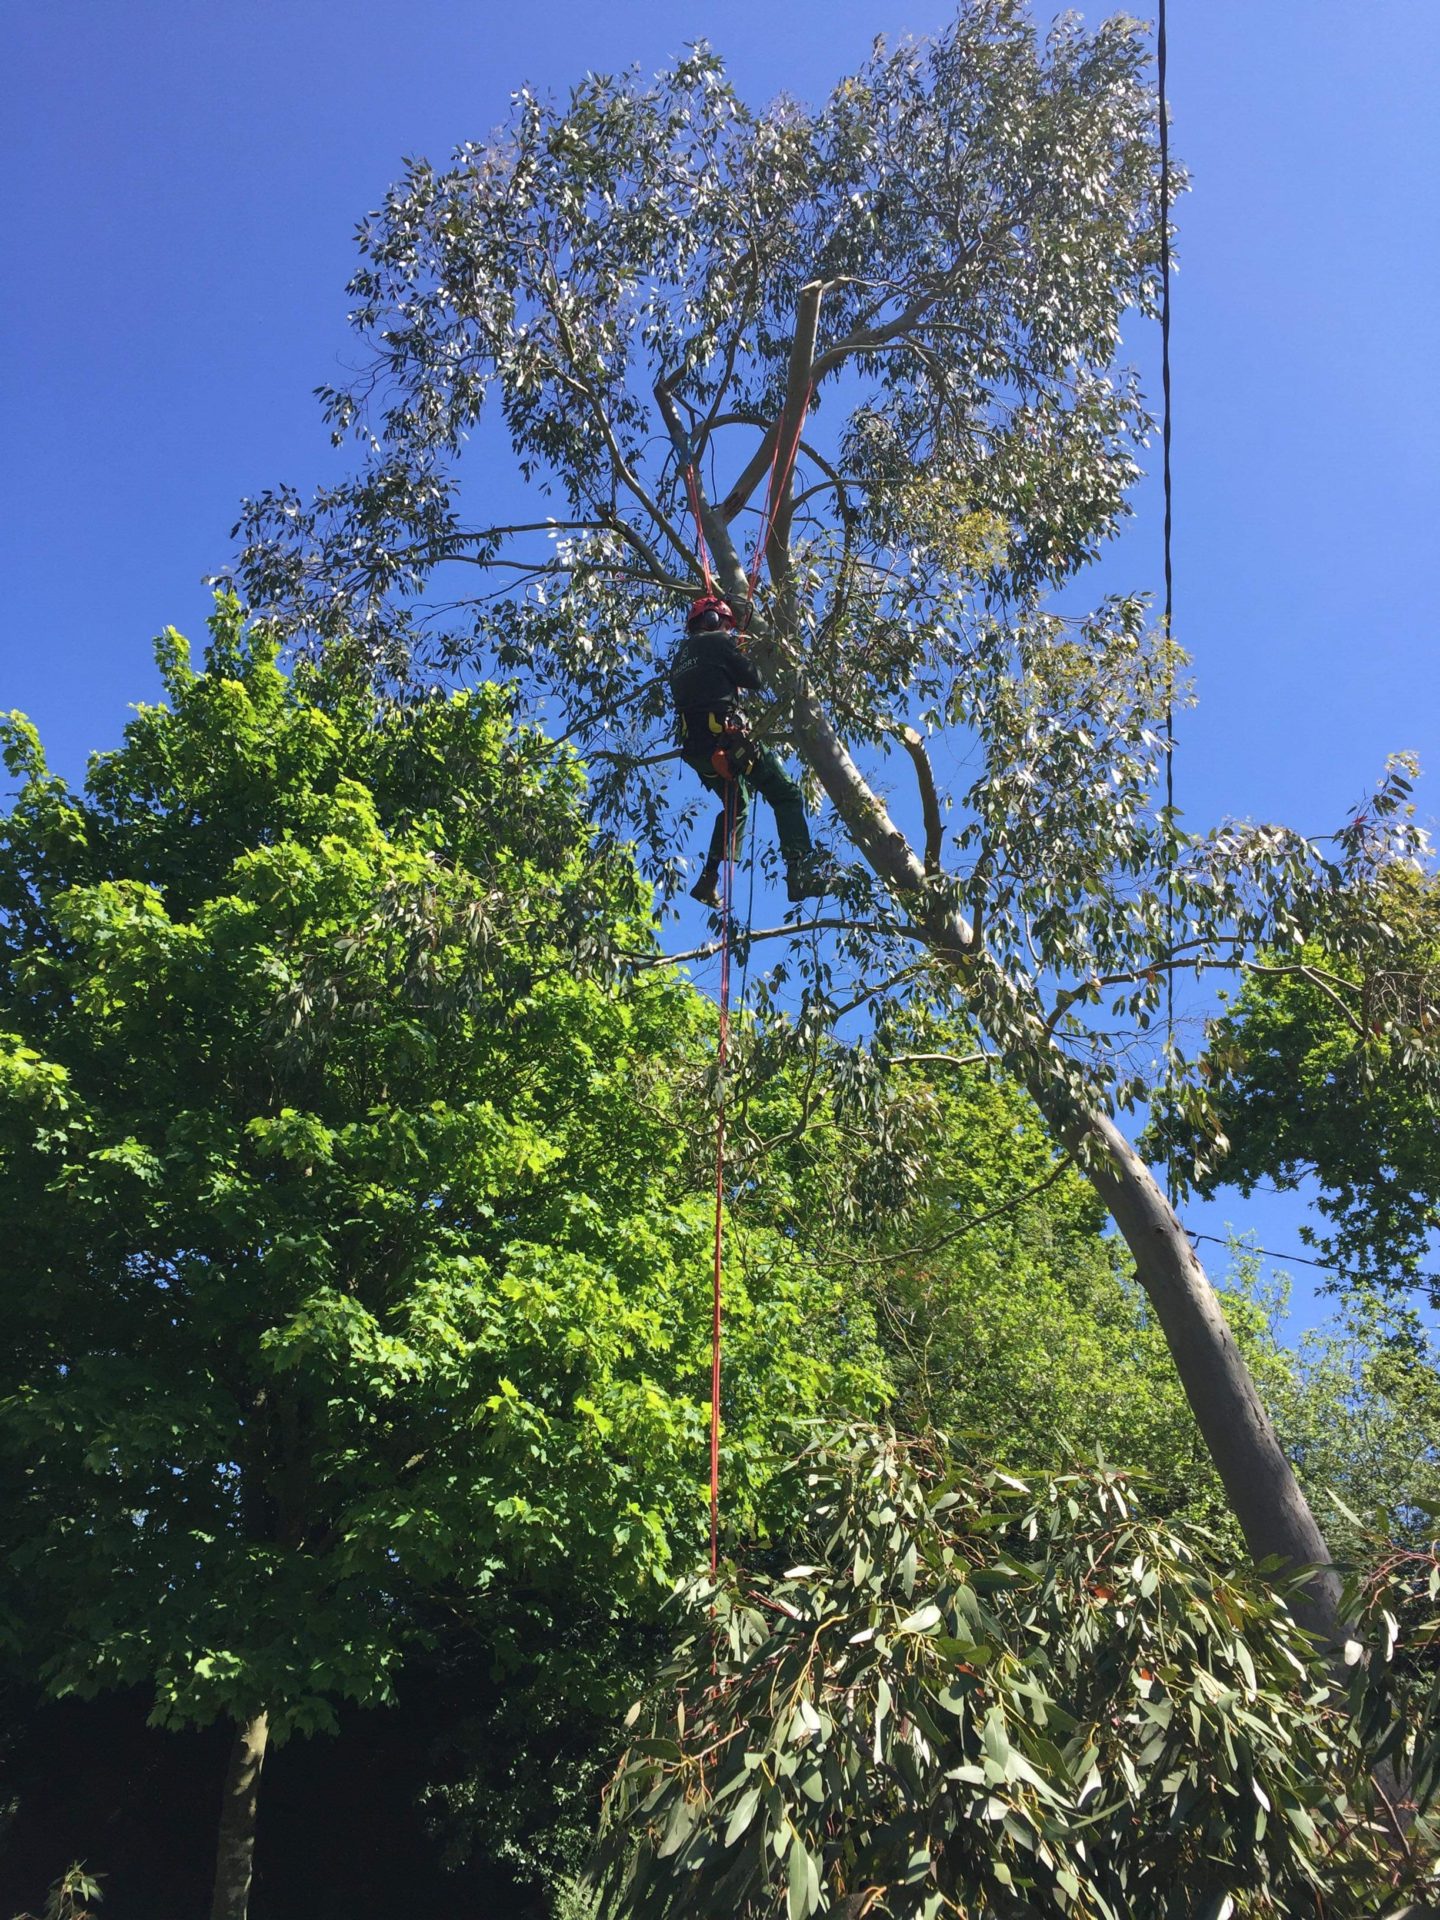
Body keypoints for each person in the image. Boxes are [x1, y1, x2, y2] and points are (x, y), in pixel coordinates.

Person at [669, 593, 827, 907]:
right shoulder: (719, 643)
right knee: (786, 794)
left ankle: (709, 878)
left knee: (736, 804)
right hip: (726, 743)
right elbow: (753, 679)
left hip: (699, 753)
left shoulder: (679, 658)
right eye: (726, 626)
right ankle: (799, 873)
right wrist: (738, 653)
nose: (728, 631)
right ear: (714, 622)